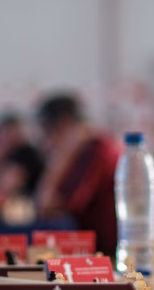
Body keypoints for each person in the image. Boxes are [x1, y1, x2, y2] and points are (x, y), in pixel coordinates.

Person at [34, 93, 121, 258]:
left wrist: (61, 159)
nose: (47, 144)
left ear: (64, 125)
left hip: (112, 255)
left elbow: (49, 205)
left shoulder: (95, 150)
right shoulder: (95, 146)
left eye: (47, 133)